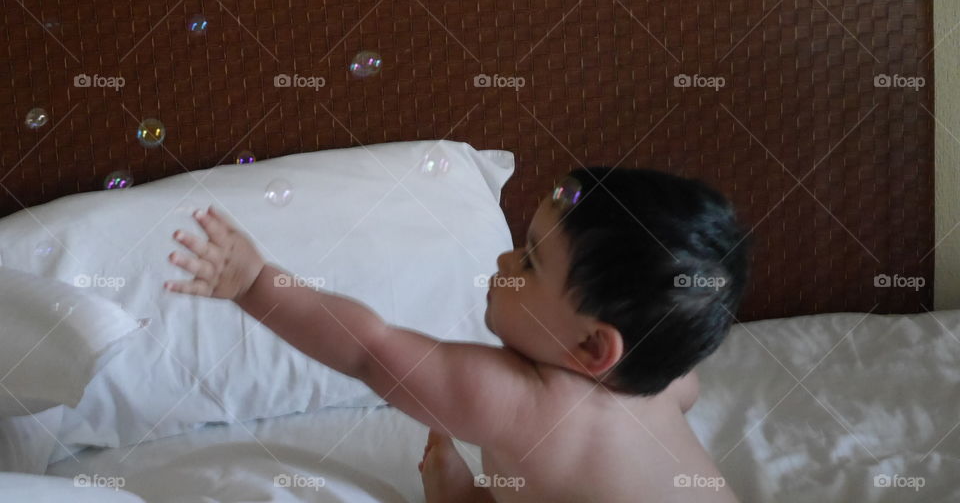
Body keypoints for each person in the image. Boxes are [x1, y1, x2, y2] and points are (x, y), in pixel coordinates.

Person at [165, 166, 752, 502]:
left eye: (528, 261)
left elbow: (369, 350)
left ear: (594, 347)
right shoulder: (671, 386)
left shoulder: (523, 402)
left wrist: (254, 284)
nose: (502, 258)